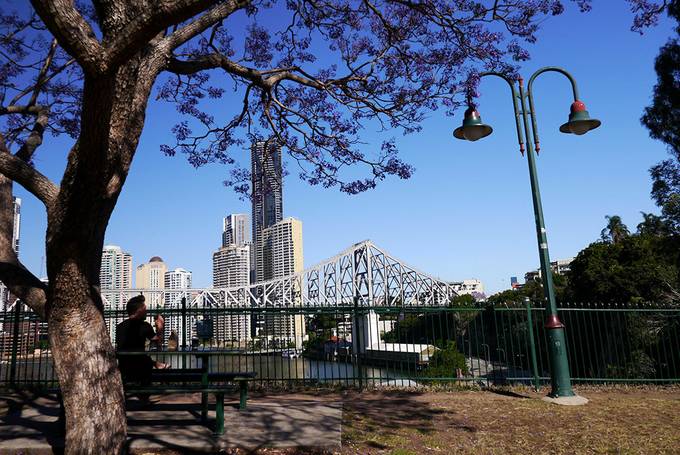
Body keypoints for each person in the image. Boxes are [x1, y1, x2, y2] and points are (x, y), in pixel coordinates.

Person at [116, 295, 169, 388]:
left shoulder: (119, 326)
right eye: (145, 309)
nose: (147, 312)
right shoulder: (145, 326)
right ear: (139, 311)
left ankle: (156, 364)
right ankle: (145, 396)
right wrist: (160, 327)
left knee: (141, 358)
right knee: (145, 363)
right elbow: (158, 342)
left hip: (123, 367)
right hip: (141, 368)